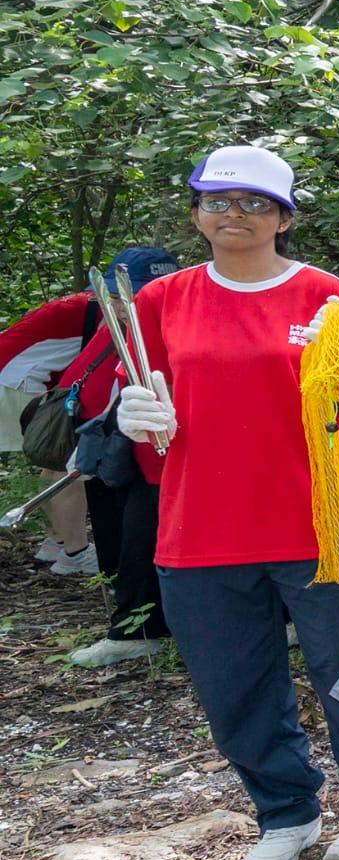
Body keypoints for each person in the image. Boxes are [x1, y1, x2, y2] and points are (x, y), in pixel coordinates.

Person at [114, 144, 339, 860]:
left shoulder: (324, 293)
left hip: (315, 522)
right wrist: (132, 412)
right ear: (196, 214)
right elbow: (146, 405)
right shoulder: (163, 299)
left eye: (254, 203)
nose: (234, 215)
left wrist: (337, 373)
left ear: (283, 217)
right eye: (218, 202)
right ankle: (286, 811)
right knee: (234, 681)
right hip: (201, 524)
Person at [62, 246, 181, 666]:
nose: (119, 303)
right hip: (134, 458)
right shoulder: (118, 324)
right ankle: (138, 630)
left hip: (183, 459)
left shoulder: (181, 318)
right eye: (113, 295)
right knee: (133, 543)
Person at [0, 285, 97, 571]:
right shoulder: (99, 310)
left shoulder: (73, 306)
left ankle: (55, 542)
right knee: (71, 466)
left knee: (53, 462)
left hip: (14, 380)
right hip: (17, 382)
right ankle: (76, 552)